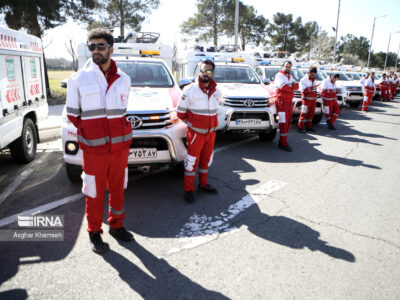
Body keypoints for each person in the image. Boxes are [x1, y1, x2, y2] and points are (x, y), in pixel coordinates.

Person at [66, 28, 134, 254]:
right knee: (93, 191)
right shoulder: (78, 79)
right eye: (91, 46)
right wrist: (92, 134)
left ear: (111, 49)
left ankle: (117, 225)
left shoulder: (124, 79)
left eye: (100, 46)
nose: (95, 50)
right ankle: (95, 231)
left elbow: (121, 112)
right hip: (94, 150)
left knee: (118, 188)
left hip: (119, 148)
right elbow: (73, 115)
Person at [177, 59, 220, 204]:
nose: (205, 73)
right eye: (203, 70)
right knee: (191, 162)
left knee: (206, 161)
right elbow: (180, 112)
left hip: (211, 133)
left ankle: (203, 184)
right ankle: (188, 190)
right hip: (196, 134)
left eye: (208, 71)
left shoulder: (217, 90)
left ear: (213, 73)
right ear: (199, 72)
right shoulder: (189, 90)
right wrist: (193, 125)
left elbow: (217, 109)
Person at [274, 61, 299, 152]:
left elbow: (297, 86)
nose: (287, 68)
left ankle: (283, 141)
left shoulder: (290, 76)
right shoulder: (279, 76)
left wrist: (290, 86)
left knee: (288, 122)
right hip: (282, 103)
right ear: (282, 66)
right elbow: (284, 87)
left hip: (289, 103)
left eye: (289, 67)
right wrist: (291, 86)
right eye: (286, 66)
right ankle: (283, 144)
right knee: (283, 123)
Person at [298, 67, 319, 133]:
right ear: (309, 73)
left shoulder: (314, 79)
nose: (313, 76)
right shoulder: (303, 80)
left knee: (311, 114)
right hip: (306, 100)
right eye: (312, 75)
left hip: (313, 100)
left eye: (315, 75)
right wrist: (312, 87)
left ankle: (309, 127)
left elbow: (314, 90)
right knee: (303, 114)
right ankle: (300, 127)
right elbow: (303, 91)